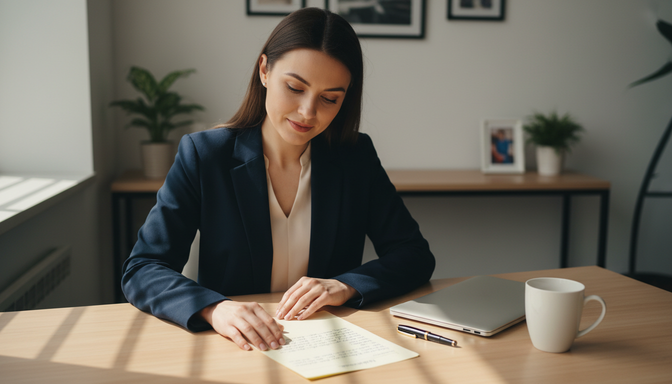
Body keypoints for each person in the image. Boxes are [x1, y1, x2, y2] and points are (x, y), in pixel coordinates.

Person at [121, 7, 435, 353]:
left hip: (326, 347)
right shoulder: (205, 155)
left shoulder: (355, 157)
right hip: (235, 346)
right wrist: (214, 308)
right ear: (264, 70)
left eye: (329, 99)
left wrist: (345, 286)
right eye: (295, 87)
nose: (308, 112)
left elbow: (414, 255)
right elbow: (143, 268)